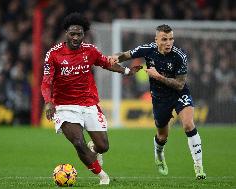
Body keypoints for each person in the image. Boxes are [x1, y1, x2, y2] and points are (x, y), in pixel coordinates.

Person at [41, 12, 142, 185]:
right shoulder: (54, 54)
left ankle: (94, 149)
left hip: (88, 104)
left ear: (83, 34)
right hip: (64, 106)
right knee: (78, 142)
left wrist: (127, 71)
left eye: (79, 34)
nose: (75, 37)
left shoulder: (90, 50)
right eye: (72, 33)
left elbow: (106, 62)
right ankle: (102, 176)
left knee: (103, 146)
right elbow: (46, 82)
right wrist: (49, 102)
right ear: (66, 33)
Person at [111, 24, 206, 180]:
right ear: (156, 40)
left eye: (171, 39)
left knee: (188, 124)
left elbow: (180, 84)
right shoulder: (148, 49)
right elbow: (125, 55)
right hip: (159, 98)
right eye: (164, 39)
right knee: (162, 136)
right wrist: (115, 57)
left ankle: (199, 167)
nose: (168, 43)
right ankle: (159, 155)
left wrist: (158, 76)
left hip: (179, 93)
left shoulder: (179, 56)